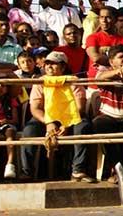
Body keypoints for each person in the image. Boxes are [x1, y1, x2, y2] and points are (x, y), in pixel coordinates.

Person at [20, 51, 92, 182]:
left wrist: (66, 124)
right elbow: (35, 108)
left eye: (54, 64)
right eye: (47, 63)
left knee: (83, 127)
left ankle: (78, 170)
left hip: (71, 116)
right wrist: (48, 122)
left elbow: (79, 107)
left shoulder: (73, 81)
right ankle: (27, 171)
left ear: (63, 67)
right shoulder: (40, 82)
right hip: (46, 117)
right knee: (29, 130)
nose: (49, 66)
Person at [93, 44, 123, 183]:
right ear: (111, 62)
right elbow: (98, 78)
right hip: (111, 118)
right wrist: (116, 72)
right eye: (121, 57)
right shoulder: (106, 72)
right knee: (99, 124)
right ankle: (116, 169)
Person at [85, 6, 123, 78]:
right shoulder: (92, 38)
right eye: (101, 17)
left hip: (119, 81)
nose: (104, 20)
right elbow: (95, 58)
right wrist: (118, 62)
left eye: (108, 17)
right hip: (96, 82)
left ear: (115, 20)